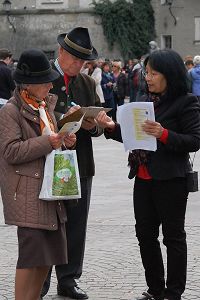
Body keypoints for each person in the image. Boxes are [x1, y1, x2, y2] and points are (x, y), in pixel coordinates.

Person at [96, 49, 200, 300]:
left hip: (171, 179)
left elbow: (194, 140)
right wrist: (111, 128)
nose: (148, 77)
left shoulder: (186, 101)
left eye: (154, 73)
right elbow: (134, 137)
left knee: (173, 238)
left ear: (170, 75)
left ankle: (173, 292)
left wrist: (163, 133)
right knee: (145, 236)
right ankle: (155, 289)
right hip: (142, 178)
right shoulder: (144, 99)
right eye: (147, 72)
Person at [0, 48, 77, 300]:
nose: (49, 84)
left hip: (50, 192)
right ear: (28, 85)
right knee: (31, 257)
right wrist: (50, 142)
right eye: (44, 81)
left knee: (48, 256)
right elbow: (10, 152)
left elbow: (51, 141)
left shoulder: (44, 106)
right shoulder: (10, 111)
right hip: (27, 193)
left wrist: (65, 140)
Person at [41, 27, 103, 300]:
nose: (79, 65)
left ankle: (68, 280)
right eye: (75, 59)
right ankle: (39, 281)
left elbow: (100, 121)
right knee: (47, 223)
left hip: (81, 163)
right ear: (61, 53)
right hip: (47, 163)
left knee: (77, 224)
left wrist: (94, 124)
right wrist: (61, 116)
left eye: (84, 61)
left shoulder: (87, 83)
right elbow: (30, 113)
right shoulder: (42, 79)